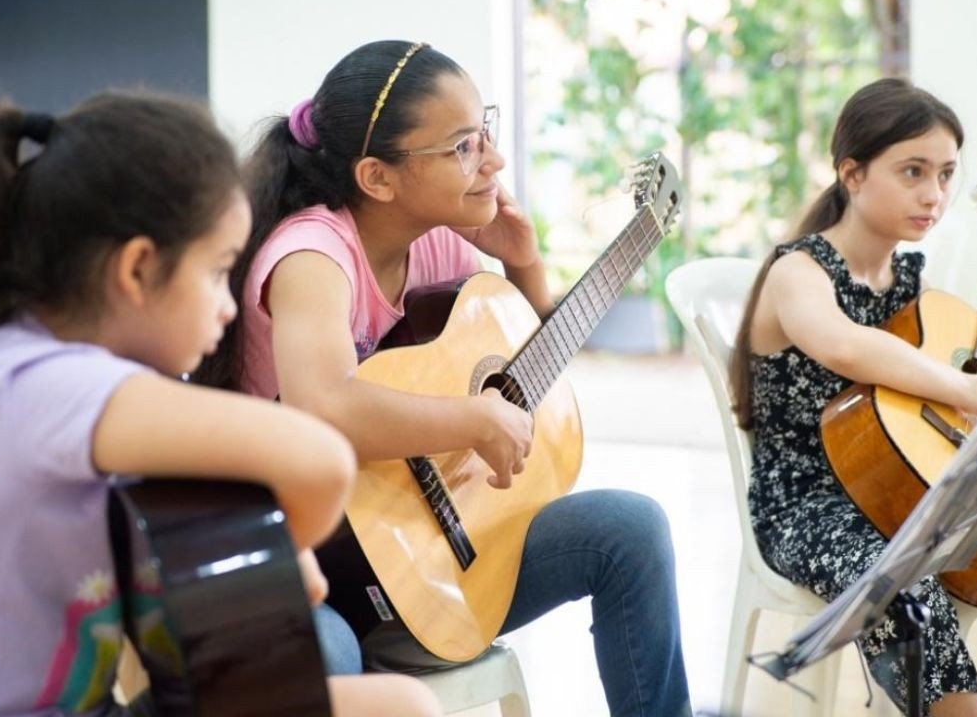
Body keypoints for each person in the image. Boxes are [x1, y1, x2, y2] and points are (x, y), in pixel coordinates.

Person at [194, 39, 693, 717]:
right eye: (462, 147)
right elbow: (324, 407)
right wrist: (472, 420)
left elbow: (526, 376)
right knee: (331, 659)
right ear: (377, 177)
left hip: (426, 555)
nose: (494, 160)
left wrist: (526, 265)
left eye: (483, 132)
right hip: (306, 561)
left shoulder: (432, 240)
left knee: (629, 529)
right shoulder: (312, 255)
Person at [0, 93, 443, 717]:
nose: (229, 307)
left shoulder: (26, 371)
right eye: (216, 273)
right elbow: (319, 458)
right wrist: (291, 552)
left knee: (397, 703)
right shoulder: (49, 387)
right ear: (137, 270)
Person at [728, 77, 977, 716]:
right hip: (804, 503)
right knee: (903, 587)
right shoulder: (800, 271)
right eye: (913, 171)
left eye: (946, 174)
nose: (935, 195)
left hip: (895, 492)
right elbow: (843, 346)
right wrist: (973, 386)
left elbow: (920, 430)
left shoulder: (907, 281)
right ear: (852, 174)